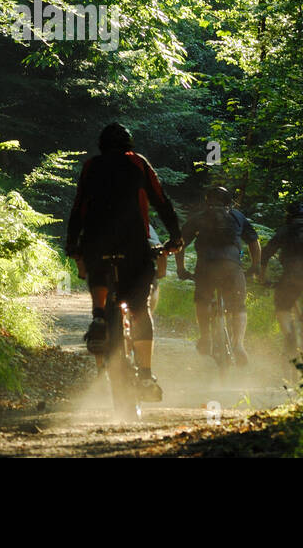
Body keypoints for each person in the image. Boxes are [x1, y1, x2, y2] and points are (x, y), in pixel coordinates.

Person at [67, 123, 182, 401]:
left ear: (101, 144)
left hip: (97, 244)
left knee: (98, 267)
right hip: (133, 245)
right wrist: (175, 236)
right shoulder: (139, 163)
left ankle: (98, 318)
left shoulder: (91, 166)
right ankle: (145, 374)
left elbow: (80, 205)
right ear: (129, 143)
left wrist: (73, 244)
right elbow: (161, 201)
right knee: (141, 308)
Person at [175, 186, 259, 367]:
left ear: (207, 201)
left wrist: (181, 269)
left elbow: (179, 243)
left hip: (206, 268)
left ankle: (205, 337)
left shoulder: (199, 218)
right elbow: (254, 242)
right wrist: (254, 266)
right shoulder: (238, 217)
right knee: (239, 306)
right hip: (232, 267)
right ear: (229, 201)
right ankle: (239, 346)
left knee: (203, 301)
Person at [256, 202, 303, 355]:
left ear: (288, 217)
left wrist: (262, 277)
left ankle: (290, 336)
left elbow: (265, 254)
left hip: (292, 276)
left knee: (282, 306)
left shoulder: (285, 231)